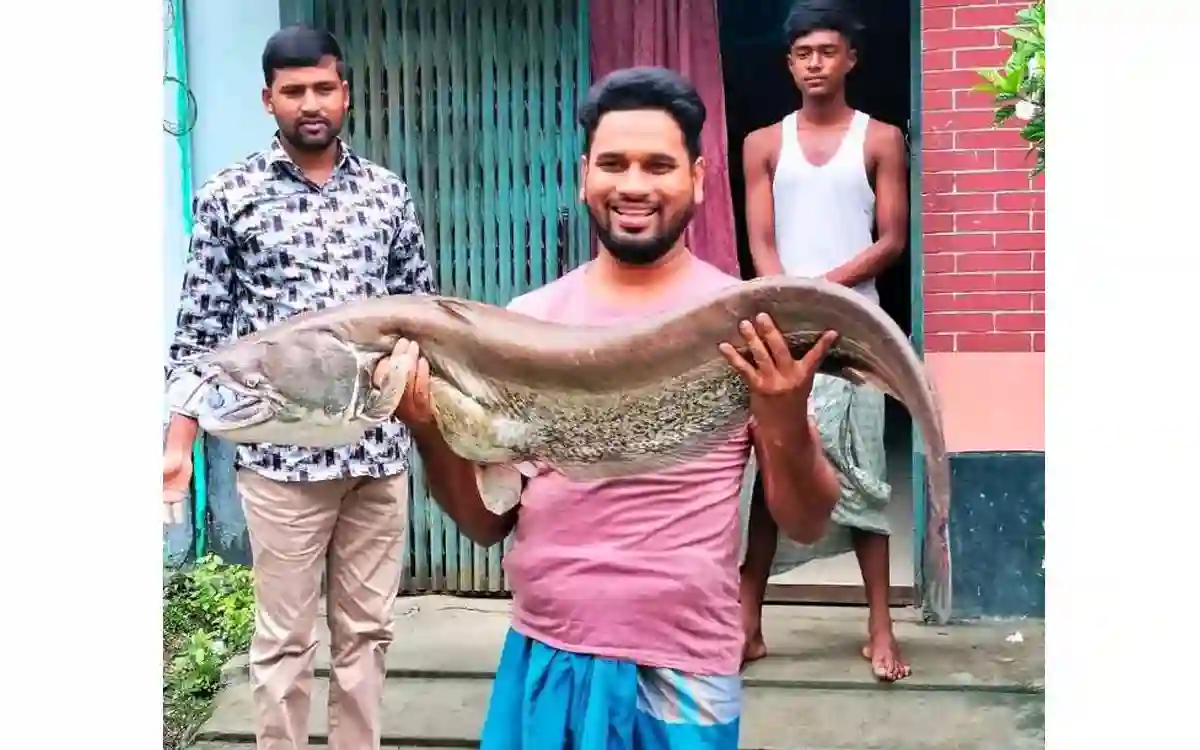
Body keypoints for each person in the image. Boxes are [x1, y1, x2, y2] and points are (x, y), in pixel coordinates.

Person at [370, 66, 847, 750]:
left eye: (658, 164)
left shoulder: (746, 326)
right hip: (548, 650)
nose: (633, 185)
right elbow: (483, 523)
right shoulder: (527, 326)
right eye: (613, 163)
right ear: (583, 174)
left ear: (699, 178)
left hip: (685, 666)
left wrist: (781, 418)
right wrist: (427, 429)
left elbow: (805, 520)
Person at [161, 25, 435, 750]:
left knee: (367, 634)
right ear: (268, 99)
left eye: (322, 88)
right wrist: (178, 445)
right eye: (293, 91)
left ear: (345, 93)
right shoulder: (229, 198)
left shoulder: (387, 197)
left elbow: (421, 317)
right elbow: (199, 333)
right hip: (282, 464)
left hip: (377, 459)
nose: (310, 103)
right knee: (285, 641)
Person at [738, 2, 911, 682]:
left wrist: (826, 292)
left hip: (856, 332)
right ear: (789, 62)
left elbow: (891, 239)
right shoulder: (763, 143)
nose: (815, 63)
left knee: (864, 474)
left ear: (850, 60)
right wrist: (788, 298)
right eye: (804, 52)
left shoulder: (880, 138)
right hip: (781, 333)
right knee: (769, 473)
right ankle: (747, 625)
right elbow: (761, 242)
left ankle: (880, 629)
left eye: (828, 52)